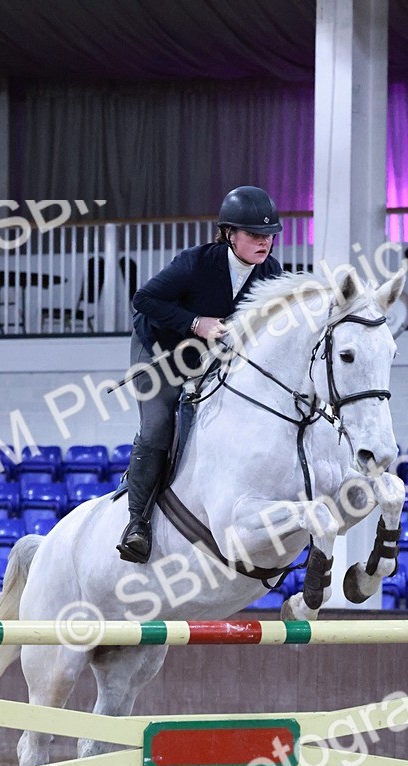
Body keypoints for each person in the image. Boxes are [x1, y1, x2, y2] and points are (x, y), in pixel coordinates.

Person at [117, 185, 284, 563]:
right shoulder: (195, 262)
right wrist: (195, 322)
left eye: (269, 235)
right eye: (255, 235)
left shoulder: (271, 272)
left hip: (207, 357)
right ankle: (136, 523)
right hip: (158, 349)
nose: (265, 242)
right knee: (159, 424)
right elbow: (143, 299)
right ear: (229, 234)